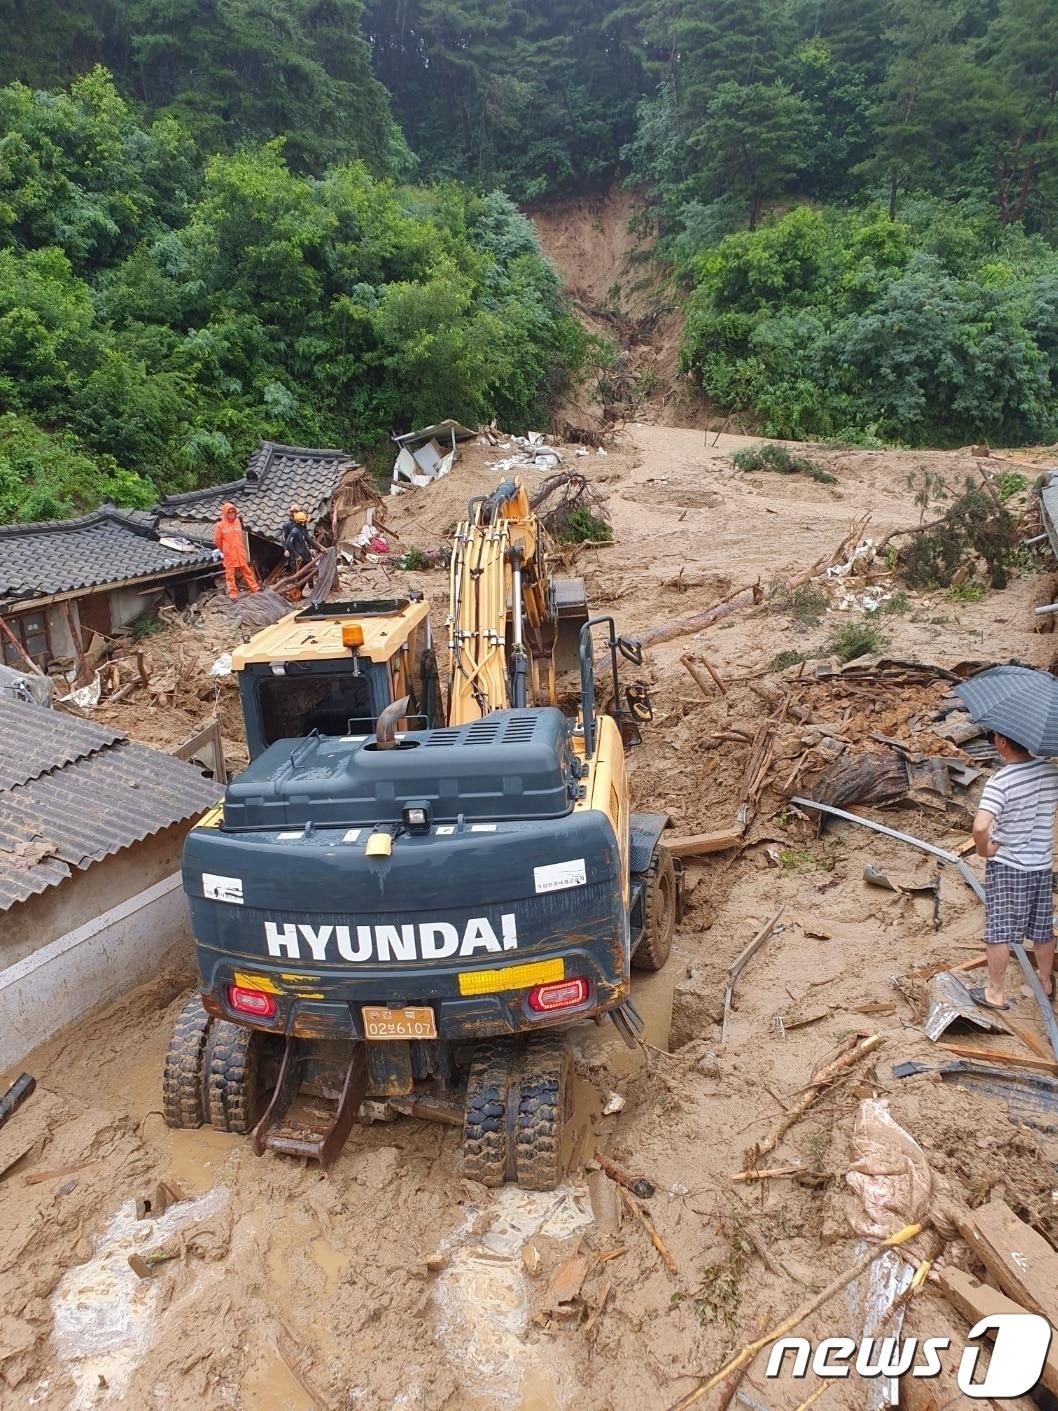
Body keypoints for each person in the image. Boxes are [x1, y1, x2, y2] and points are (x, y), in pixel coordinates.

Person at [972, 730, 1058, 1009]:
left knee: (999, 930)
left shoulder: (1001, 782)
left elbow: (981, 826)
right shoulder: (1050, 772)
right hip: (1042, 863)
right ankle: (1045, 981)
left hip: (1009, 865)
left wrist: (984, 850)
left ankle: (995, 993)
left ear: (1002, 741)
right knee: (1042, 928)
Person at [214, 502, 259, 599]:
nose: (232, 515)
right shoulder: (220, 525)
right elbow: (217, 541)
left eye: (233, 513)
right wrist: (225, 550)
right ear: (225, 513)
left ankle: (254, 588)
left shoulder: (238, 522)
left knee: (247, 571)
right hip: (229, 555)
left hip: (240, 553)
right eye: (229, 513)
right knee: (230, 575)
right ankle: (233, 593)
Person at [282, 503, 321, 571]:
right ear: (292, 513)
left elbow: (307, 536)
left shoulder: (301, 522)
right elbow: (285, 538)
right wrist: (285, 549)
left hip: (302, 546)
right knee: (298, 568)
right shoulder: (287, 525)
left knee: (309, 566)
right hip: (294, 548)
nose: (297, 513)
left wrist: (311, 548)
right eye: (295, 512)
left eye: (298, 511)